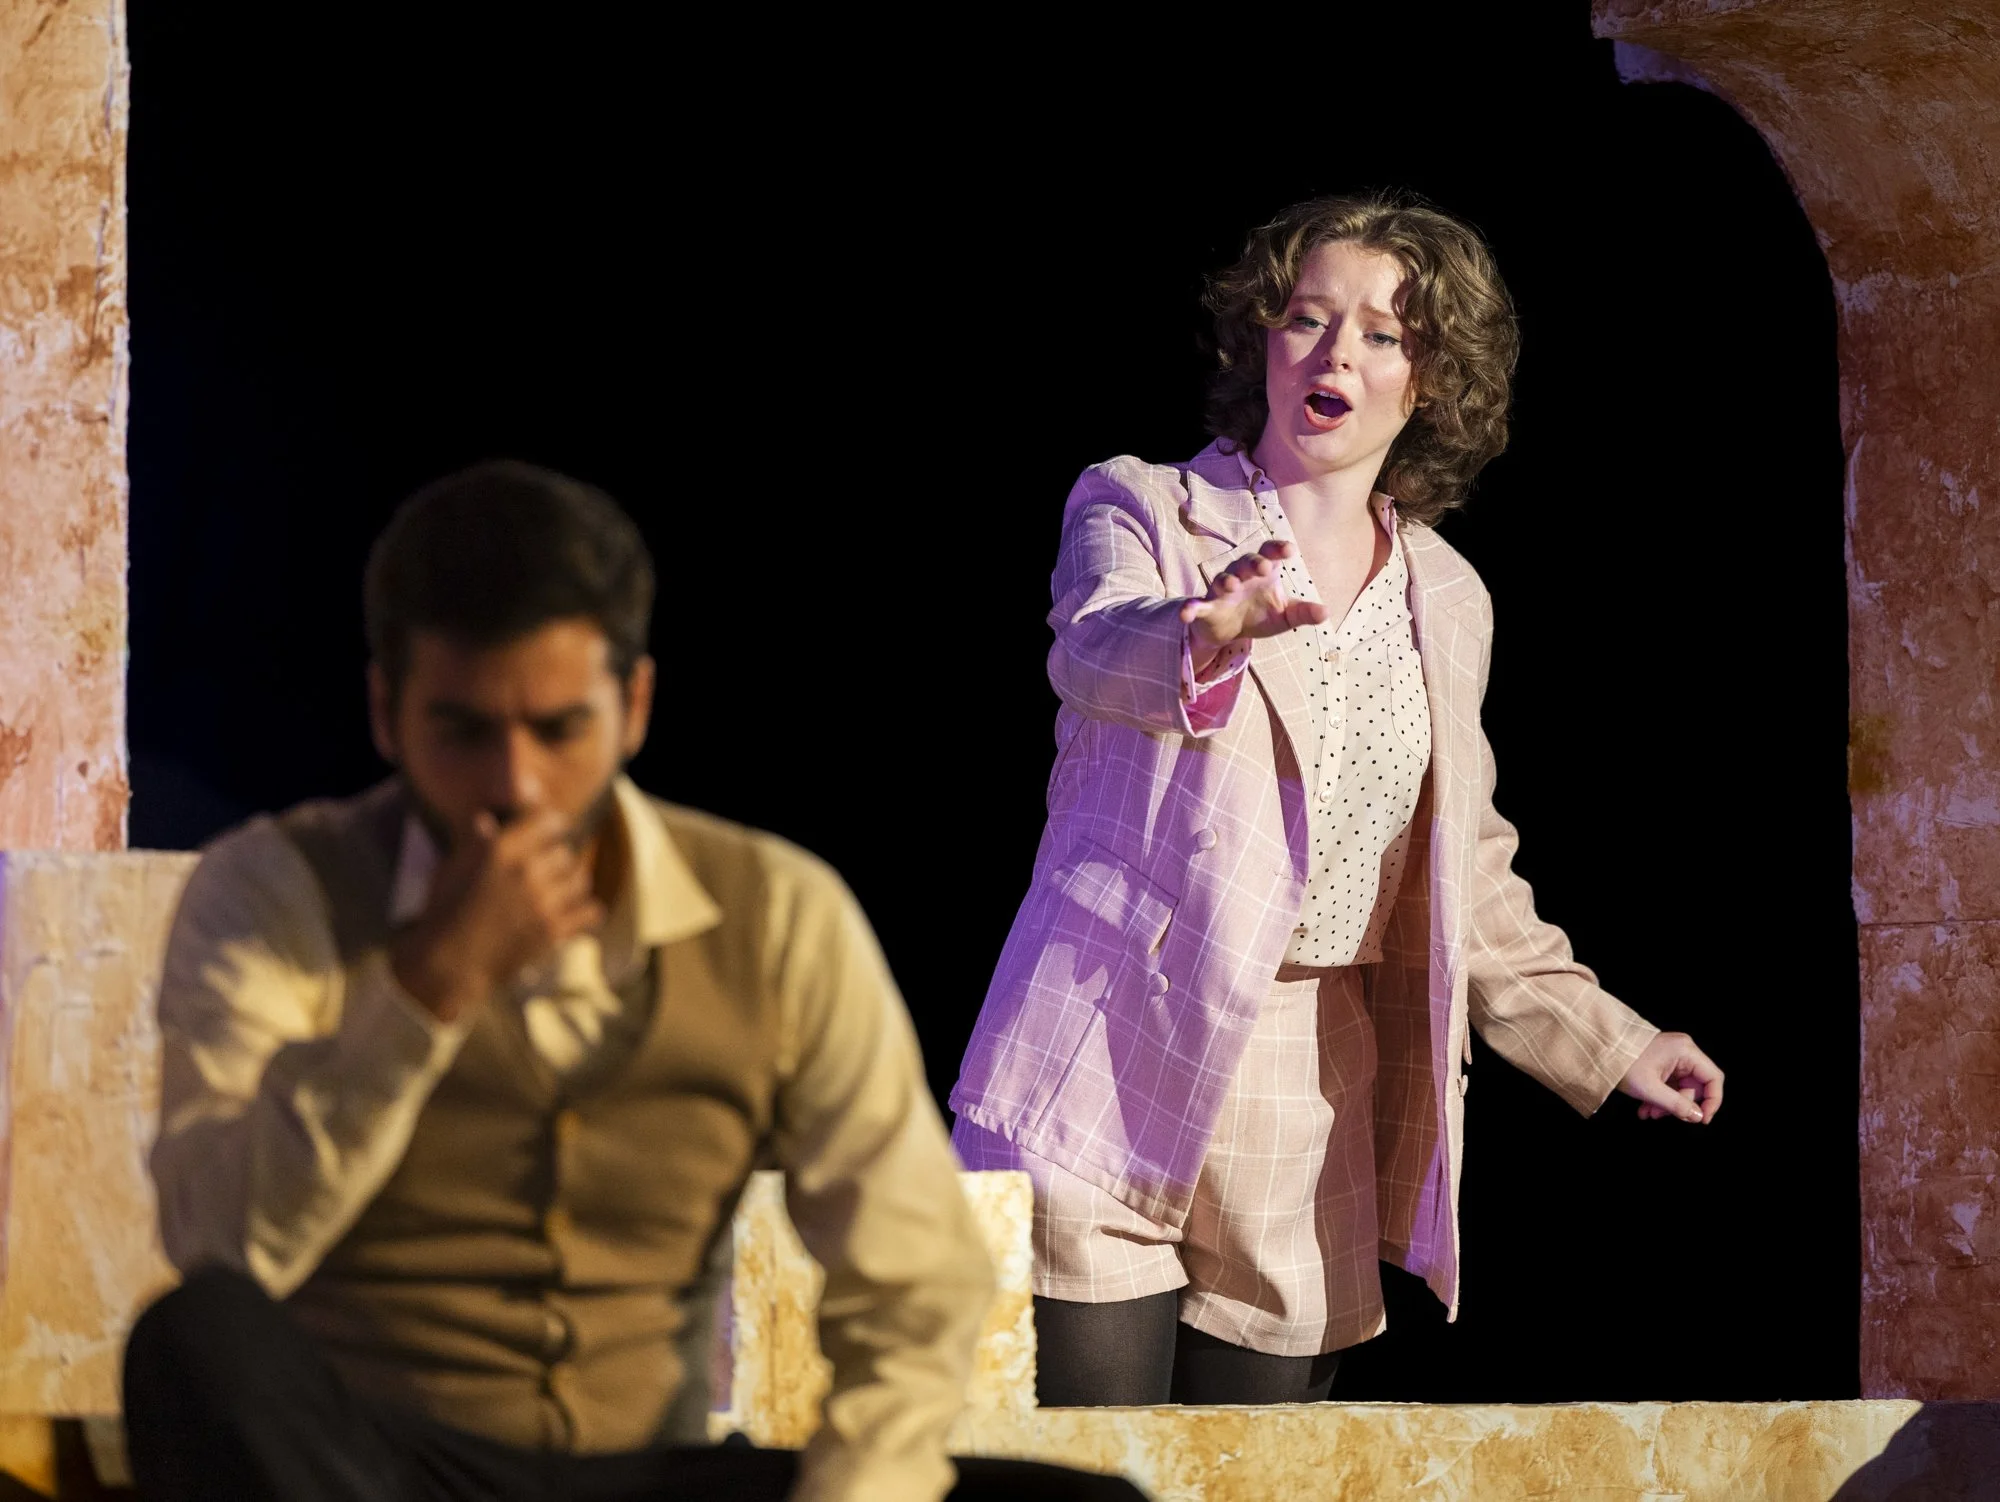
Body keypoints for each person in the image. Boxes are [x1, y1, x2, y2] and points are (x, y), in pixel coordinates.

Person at [126, 463, 1143, 1502]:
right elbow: (221, 1246)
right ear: (388, 712)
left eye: (559, 728)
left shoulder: (773, 911)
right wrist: (425, 987)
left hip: (648, 1477)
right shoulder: (276, 890)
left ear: (634, 706)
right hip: (378, 1471)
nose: (514, 785)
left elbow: (912, 1281)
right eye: (464, 729)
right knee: (192, 1341)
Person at [950, 193, 1726, 1407]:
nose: (1332, 355)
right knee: (1083, 1479)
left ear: (1429, 379)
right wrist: (1216, 622)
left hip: (1308, 1074)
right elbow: (1094, 650)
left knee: (1251, 1484)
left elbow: (1462, 871)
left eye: (1378, 333)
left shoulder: (1446, 593)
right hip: (1107, 1038)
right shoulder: (1142, 506)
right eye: (1305, 319)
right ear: (1259, 339)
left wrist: (1609, 1040)